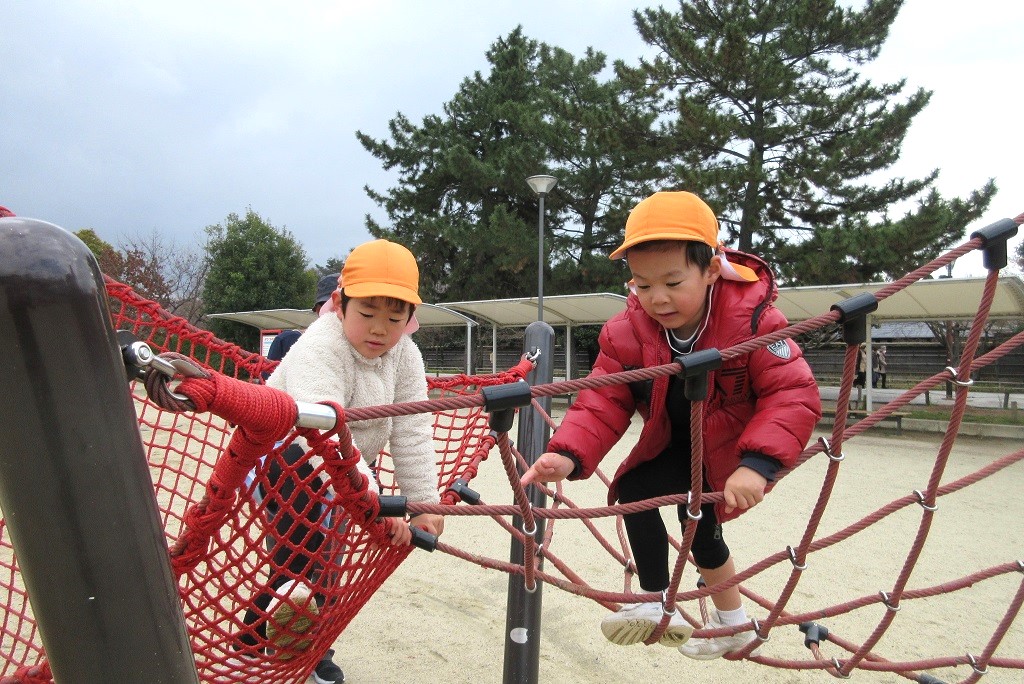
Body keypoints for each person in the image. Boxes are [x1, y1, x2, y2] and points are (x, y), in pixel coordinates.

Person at [520, 191, 821, 659]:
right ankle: (658, 600)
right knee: (634, 489)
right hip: (676, 442)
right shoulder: (628, 330)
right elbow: (604, 397)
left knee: (699, 527)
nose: (657, 298)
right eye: (643, 284)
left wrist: (758, 464)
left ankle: (732, 622)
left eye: (673, 282)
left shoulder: (752, 321)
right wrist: (568, 453)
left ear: (712, 269)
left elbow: (792, 394)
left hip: (729, 451)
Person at [242, 240, 444, 683]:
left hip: (346, 470)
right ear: (338, 303)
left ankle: (271, 642)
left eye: (395, 319)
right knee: (302, 557)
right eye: (367, 313)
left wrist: (423, 503)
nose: (379, 330)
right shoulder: (320, 345)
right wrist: (376, 504)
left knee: (326, 564)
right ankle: (278, 650)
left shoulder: (406, 355)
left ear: (411, 318)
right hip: (284, 455)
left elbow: (411, 429)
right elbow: (323, 436)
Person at [261, 273, 339, 380]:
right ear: (318, 309)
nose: (336, 310)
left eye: (342, 304)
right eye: (329, 305)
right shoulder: (287, 341)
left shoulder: (358, 348)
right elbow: (266, 384)